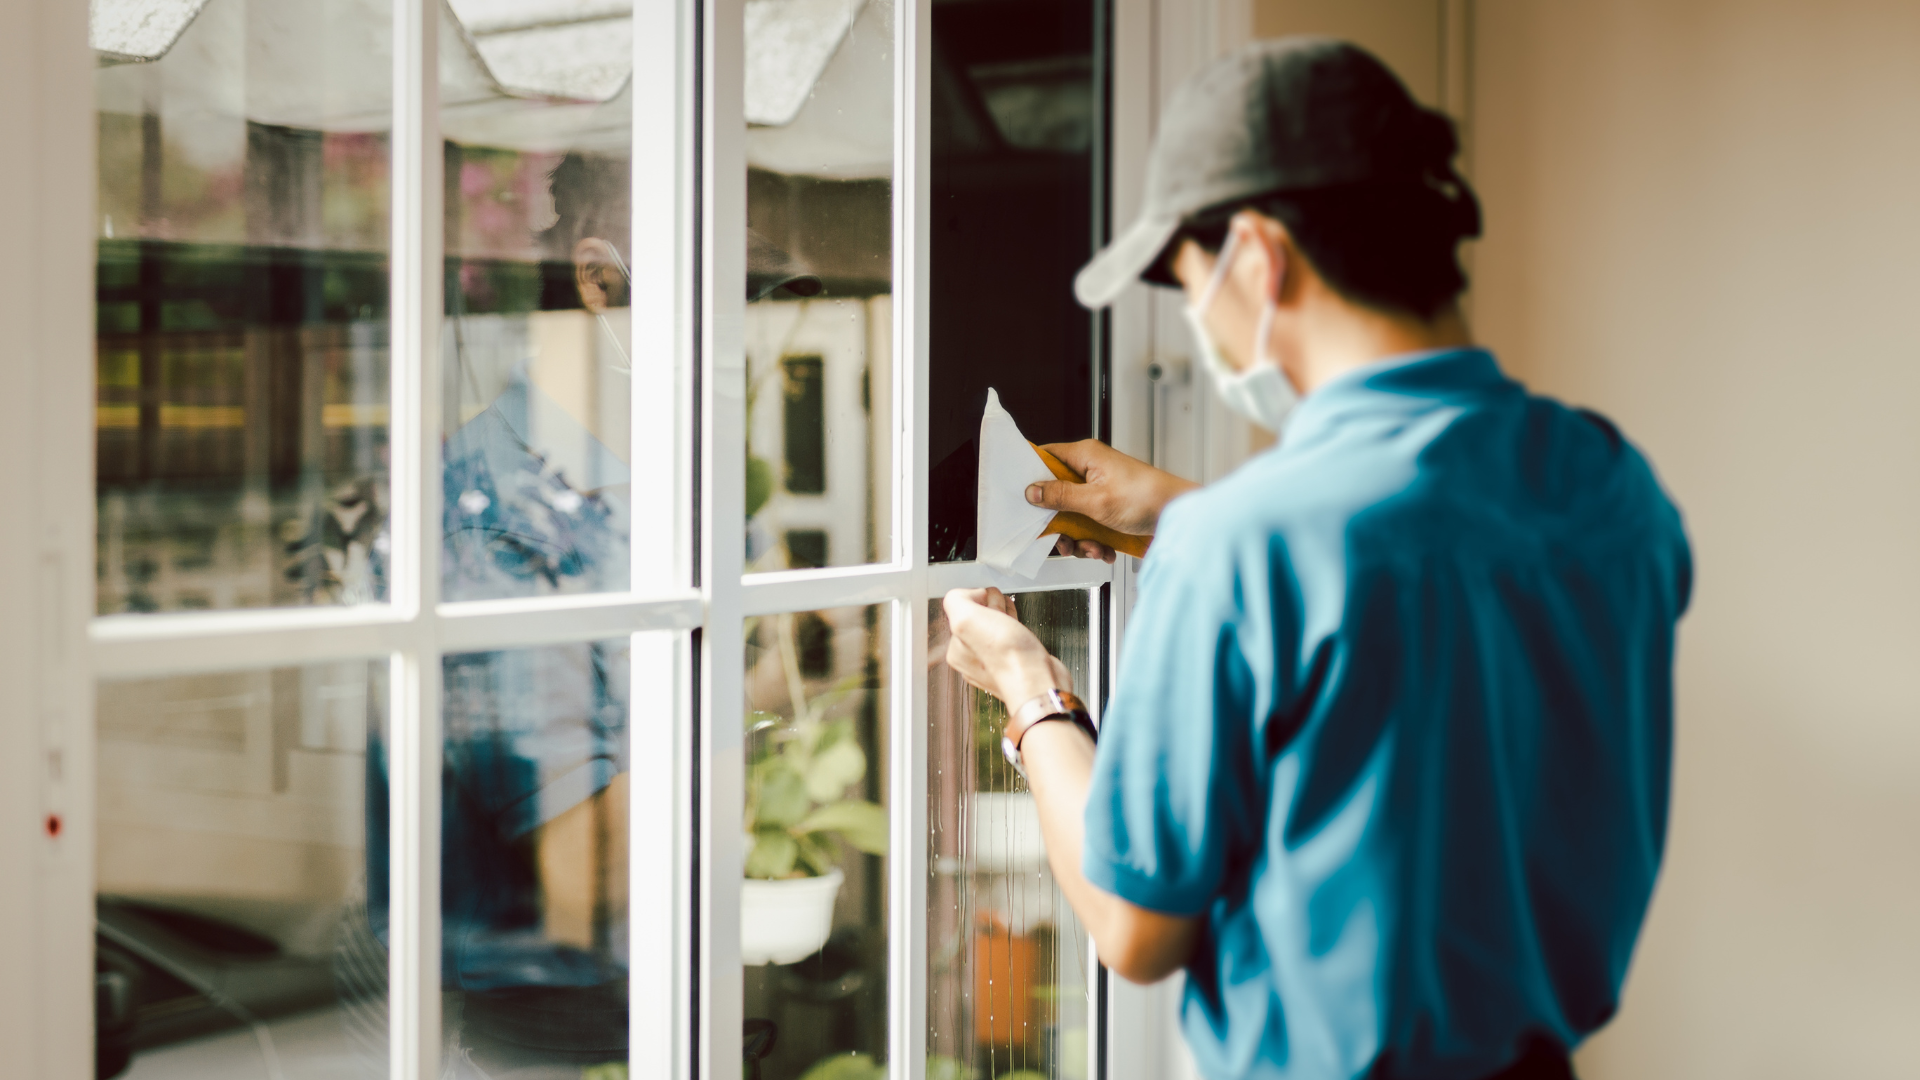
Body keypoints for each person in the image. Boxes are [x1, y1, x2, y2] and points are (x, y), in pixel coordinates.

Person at [941, 38, 1691, 1080]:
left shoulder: (1245, 545)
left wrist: (1031, 696)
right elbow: (1429, 594)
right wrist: (1188, 514)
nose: (1198, 315)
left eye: (1192, 279)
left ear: (1258, 255)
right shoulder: (1608, 481)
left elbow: (1133, 928)